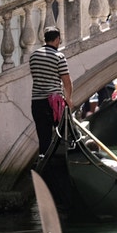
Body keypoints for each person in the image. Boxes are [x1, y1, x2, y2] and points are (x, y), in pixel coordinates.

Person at [29, 26, 72, 156]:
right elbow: (67, 82)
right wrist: (69, 99)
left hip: (37, 102)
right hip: (54, 103)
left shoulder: (33, 56)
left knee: (44, 137)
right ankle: (62, 160)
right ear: (57, 39)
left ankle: (44, 160)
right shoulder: (59, 56)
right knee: (63, 135)